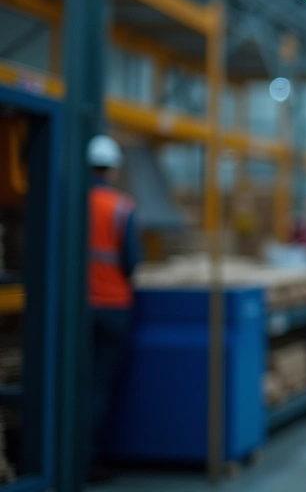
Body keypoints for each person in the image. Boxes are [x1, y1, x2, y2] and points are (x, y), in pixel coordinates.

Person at [85, 134, 141, 482]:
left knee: (75, 382)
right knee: (100, 389)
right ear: (114, 169)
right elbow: (131, 261)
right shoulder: (122, 207)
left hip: (79, 308)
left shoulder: (74, 201)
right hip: (115, 307)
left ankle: (68, 456)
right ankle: (91, 463)